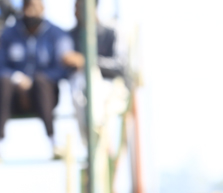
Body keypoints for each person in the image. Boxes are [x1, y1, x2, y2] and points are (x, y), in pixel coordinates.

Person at [0, 0, 74, 157]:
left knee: (41, 81)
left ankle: (54, 141)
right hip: (14, 95)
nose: (30, 12)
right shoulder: (8, 34)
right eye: (27, 7)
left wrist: (34, 81)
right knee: (4, 82)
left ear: (42, 8)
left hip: (45, 95)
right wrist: (17, 78)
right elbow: (1, 66)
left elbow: (62, 69)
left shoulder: (57, 34)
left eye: (34, 7)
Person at [64, 0, 129, 145]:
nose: (76, 12)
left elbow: (120, 66)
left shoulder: (112, 31)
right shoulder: (70, 37)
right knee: (78, 84)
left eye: (80, 7)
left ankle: (99, 140)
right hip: (82, 91)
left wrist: (88, 62)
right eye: (75, 8)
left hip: (111, 89)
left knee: (94, 88)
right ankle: (92, 144)